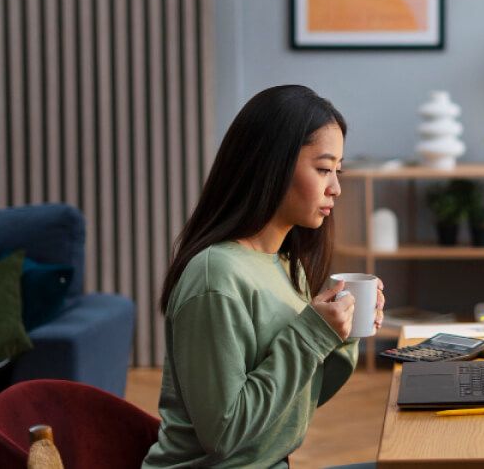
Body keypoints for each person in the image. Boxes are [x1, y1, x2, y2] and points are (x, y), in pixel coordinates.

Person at [143, 85, 385, 468]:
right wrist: (311, 335)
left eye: (337, 171)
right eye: (323, 169)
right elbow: (224, 434)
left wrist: (341, 332)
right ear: (272, 164)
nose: (336, 188)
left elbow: (293, 402)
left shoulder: (286, 263)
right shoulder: (216, 277)